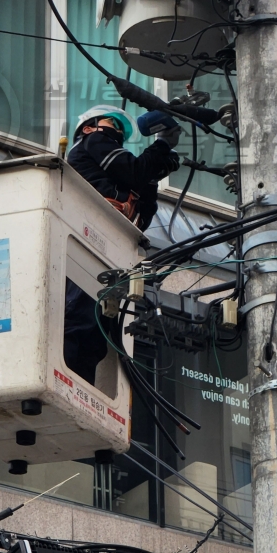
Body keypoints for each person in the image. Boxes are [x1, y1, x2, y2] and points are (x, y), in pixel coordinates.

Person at [63, 105, 181, 385]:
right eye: (112, 123)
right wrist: (161, 146)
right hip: (88, 241)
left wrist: (153, 174)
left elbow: (143, 215)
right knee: (78, 321)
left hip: (108, 248)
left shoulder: (116, 175)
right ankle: (65, 383)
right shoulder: (92, 141)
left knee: (95, 335)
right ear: (88, 127)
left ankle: (80, 393)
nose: (117, 131)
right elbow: (134, 170)